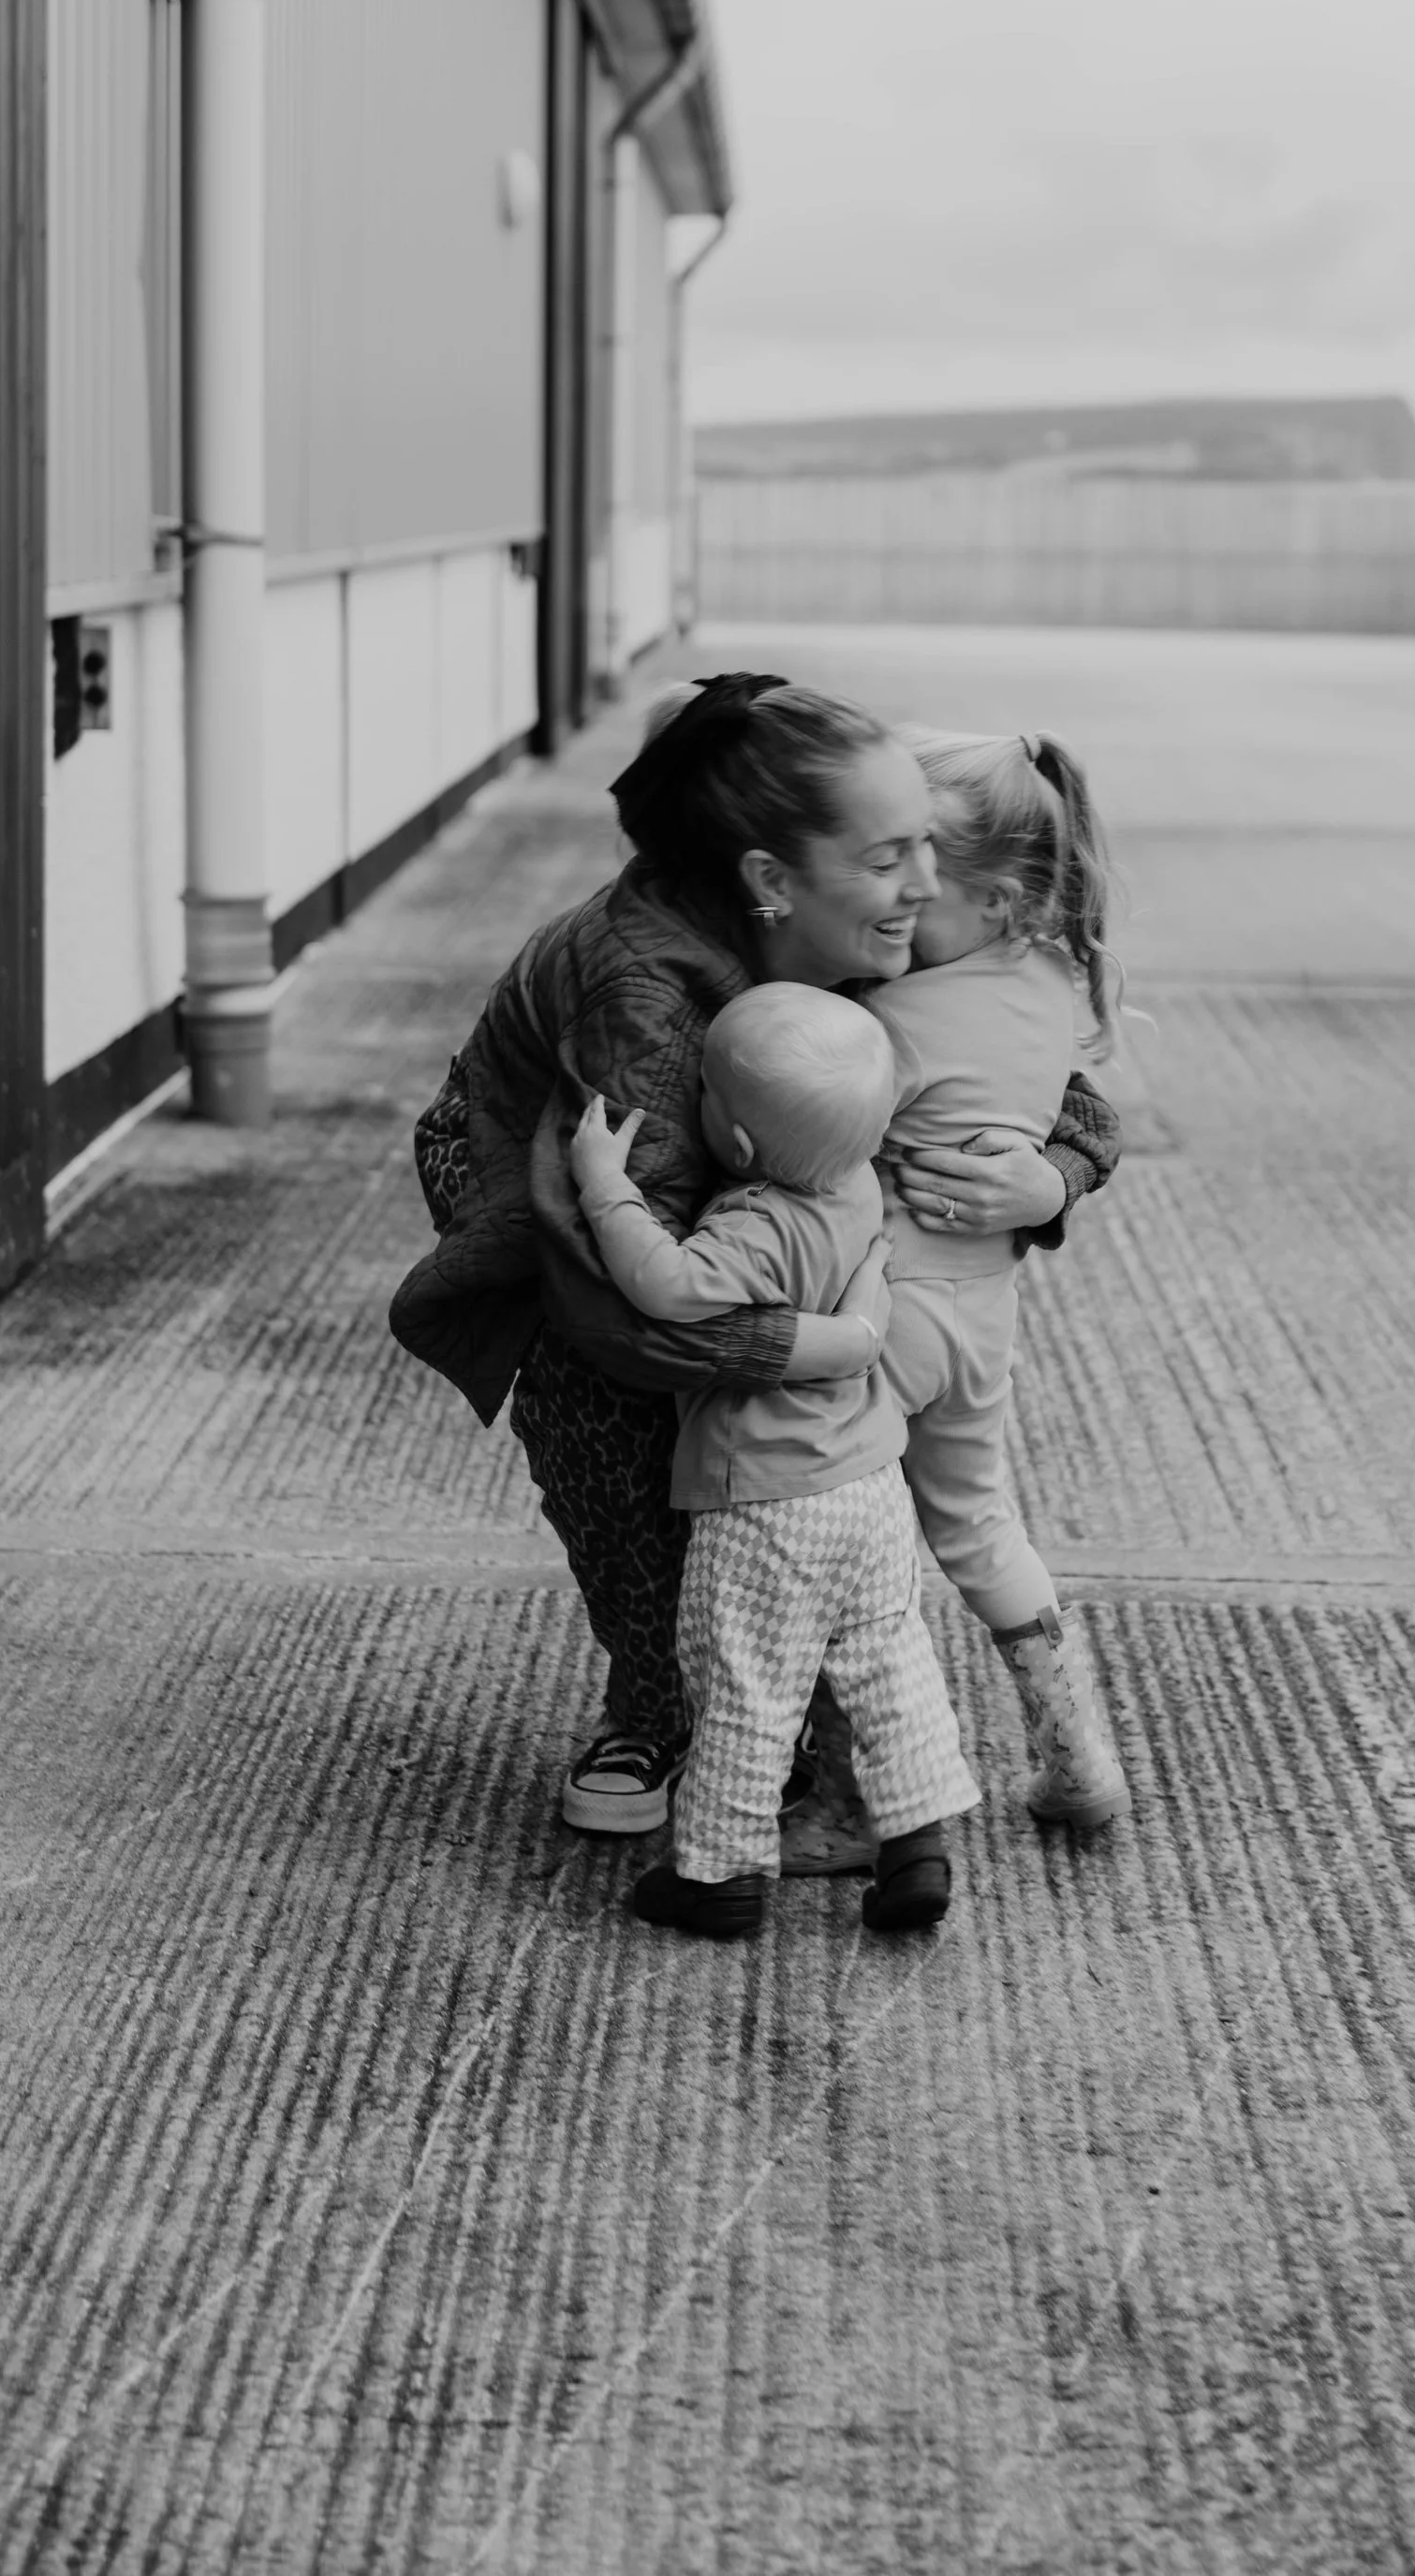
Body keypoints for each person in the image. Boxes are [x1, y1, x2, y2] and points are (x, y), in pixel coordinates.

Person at [389, 672, 1121, 1847]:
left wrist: (1056, 1173)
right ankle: (665, 1710)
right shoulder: (654, 1000)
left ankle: (789, 1756)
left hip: (781, 1265)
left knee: (788, 1497)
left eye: (922, 855)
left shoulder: (859, 949)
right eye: (891, 859)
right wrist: (805, 1341)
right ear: (771, 878)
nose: (919, 886)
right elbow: (611, 1277)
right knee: (643, 1461)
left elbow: (1039, 1087)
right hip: (578, 1241)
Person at [567, 985, 980, 1940]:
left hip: (768, 1499)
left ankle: (717, 1872)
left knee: (747, 1680)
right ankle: (916, 1840)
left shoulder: (754, 1221)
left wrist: (604, 1185)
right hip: (872, 1486)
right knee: (889, 1662)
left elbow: (668, 1288)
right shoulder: (855, 1183)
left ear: (738, 1146)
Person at [875, 729, 1130, 1829]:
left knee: (852, 1541)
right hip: (982, 1317)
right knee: (980, 1523)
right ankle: (1076, 1755)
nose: (899, 897)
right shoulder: (1049, 980)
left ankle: (860, 1790)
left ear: (1000, 898)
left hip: (877, 1310)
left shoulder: (891, 1021)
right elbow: (1079, 1110)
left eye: (921, 879)